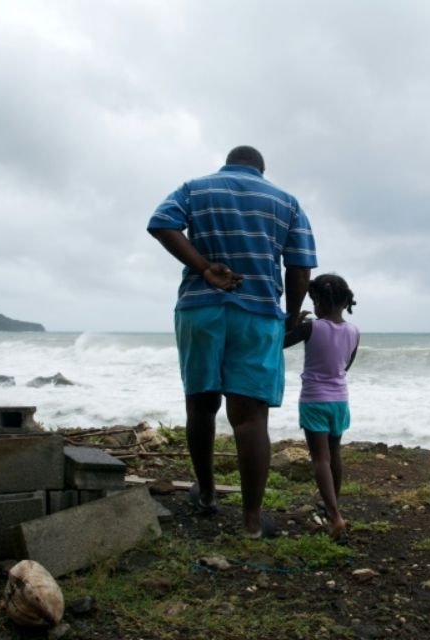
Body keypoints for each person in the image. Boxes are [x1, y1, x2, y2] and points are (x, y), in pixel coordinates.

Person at [147, 145, 316, 538]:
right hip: (257, 314)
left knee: (201, 407)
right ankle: (252, 522)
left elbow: (161, 222)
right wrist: (290, 317)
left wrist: (205, 268)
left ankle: (206, 496)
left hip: (199, 309)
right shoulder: (285, 202)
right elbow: (300, 265)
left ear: (228, 163)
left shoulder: (195, 188)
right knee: (250, 418)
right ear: (261, 169)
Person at [284, 274, 359, 539]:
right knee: (334, 453)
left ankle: (335, 517)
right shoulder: (353, 331)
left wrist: (292, 322)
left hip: (314, 399)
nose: (313, 306)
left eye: (314, 301)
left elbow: (279, 343)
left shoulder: (312, 327)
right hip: (340, 400)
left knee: (320, 458)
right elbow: (345, 366)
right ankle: (333, 507)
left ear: (321, 302)